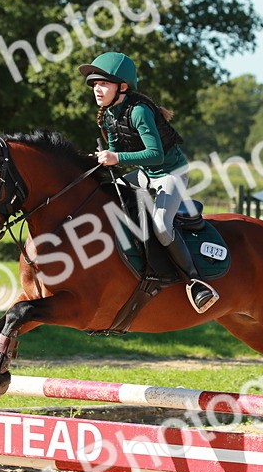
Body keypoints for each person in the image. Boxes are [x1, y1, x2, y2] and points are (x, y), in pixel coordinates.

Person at [78, 51, 219, 314]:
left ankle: (196, 282)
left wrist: (116, 157)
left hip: (170, 173)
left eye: (103, 84)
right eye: (95, 84)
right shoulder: (108, 114)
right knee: (106, 195)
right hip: (145, 173)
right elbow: (114, 153)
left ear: (123, 86)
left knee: (162, 227)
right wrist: (98, 159)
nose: (97, 89)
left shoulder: (140, 111)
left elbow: (156, 155)